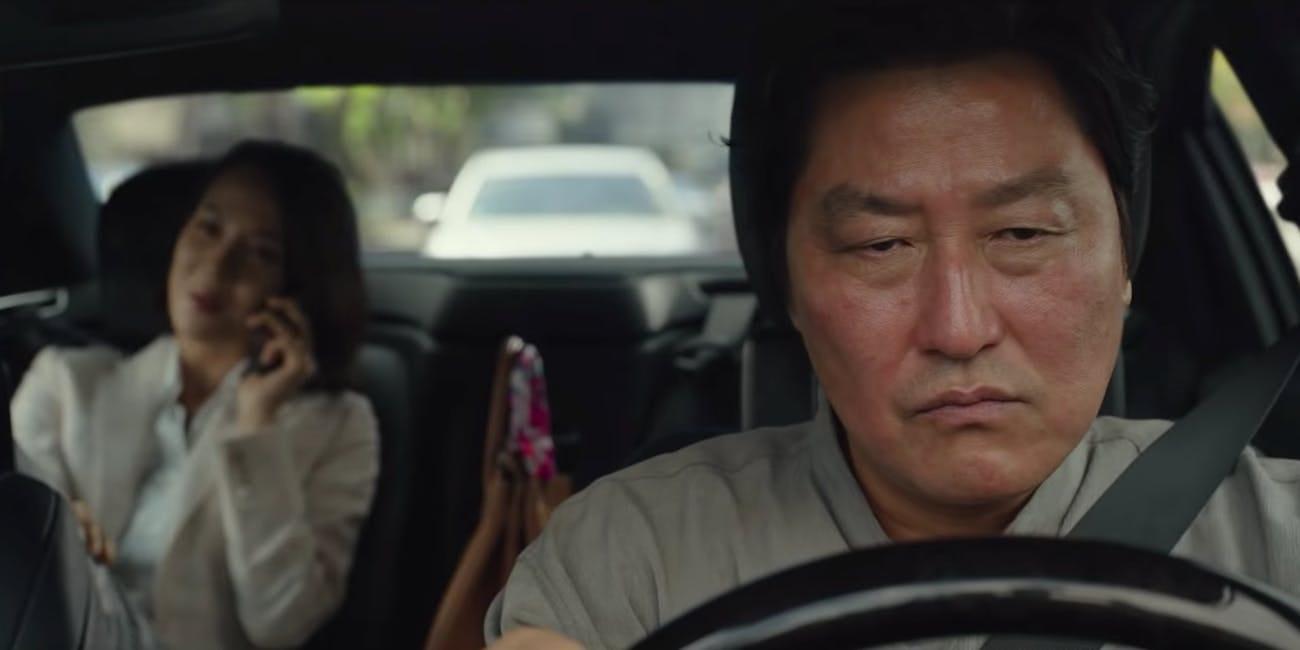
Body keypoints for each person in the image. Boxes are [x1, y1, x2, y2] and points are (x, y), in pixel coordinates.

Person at [485, 3, 1300, 649]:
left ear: (1125, 256)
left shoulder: (1276, 540)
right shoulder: (631, 563)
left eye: (1022, 234)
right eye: (880, 245)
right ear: (784, 283)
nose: (959, 328)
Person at [10, 140, 379, 649]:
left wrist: (256, 428)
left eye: (261, 252)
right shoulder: (64, 383)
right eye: (208, 227)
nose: (217, 265)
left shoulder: (337, 425)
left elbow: (282, 622)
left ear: (295, 288)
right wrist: (61, 534)